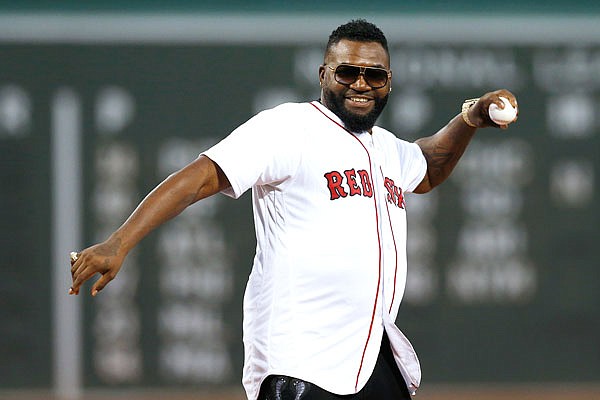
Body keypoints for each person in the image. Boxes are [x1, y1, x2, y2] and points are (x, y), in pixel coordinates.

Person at [70, 19, 518, 400]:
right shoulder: (289, 127)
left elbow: (429, 167)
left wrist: (470, 118)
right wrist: (118, 241)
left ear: (388, 82)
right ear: (324, 74)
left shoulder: (387, 149)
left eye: (374, 75)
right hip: (300, 361)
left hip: (371, 355)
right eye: (348, 72)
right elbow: (198, 177)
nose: (361, 83)